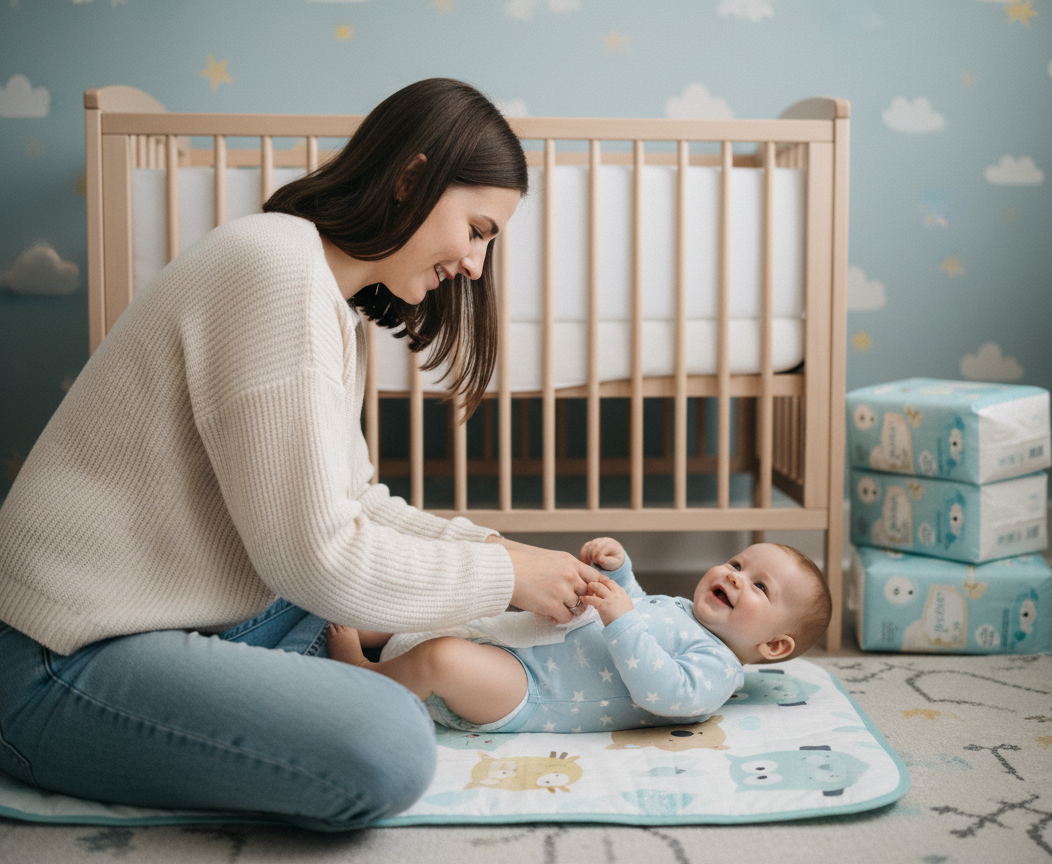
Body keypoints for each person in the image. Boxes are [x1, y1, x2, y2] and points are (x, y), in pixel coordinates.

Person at [0, 78, 605, 831]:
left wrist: (498, 552)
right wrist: (503, 577)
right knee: (387, 745)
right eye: (477, 230)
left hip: (184, 614)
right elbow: (321, 559)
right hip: (62, 657)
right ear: (411, 178)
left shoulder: (324, 298)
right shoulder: (274, 270)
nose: (478, 266)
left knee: (409, 615)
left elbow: (354, 505)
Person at [325, 537, 832, 734]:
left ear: (774, 646)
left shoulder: (716, 668)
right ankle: (366, 627)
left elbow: (665, 693)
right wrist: (619, 571)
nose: (735, 577)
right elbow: (635, 605)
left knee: (444, 659)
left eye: (759, 586)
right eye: (737, 564)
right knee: (460, 608)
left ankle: (365, 675)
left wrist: (620, 617)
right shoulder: (683, 611)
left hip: (531, 690)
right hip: (523, 640)